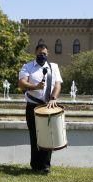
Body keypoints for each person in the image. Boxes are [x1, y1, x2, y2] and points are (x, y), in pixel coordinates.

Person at [18, 44, 62, 173]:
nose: (42, 56)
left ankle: (45, 166)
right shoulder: (27, 66)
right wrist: (35, 86)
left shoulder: (53, 67)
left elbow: (58, 85)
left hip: (48, 106)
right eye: (40, 53)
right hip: (32, 105)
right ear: (35, 53)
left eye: (44, 54)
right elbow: (22, 83)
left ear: (47, 54)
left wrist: (53, 98)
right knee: (35, 136)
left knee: (49, 136)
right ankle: (35, 165)